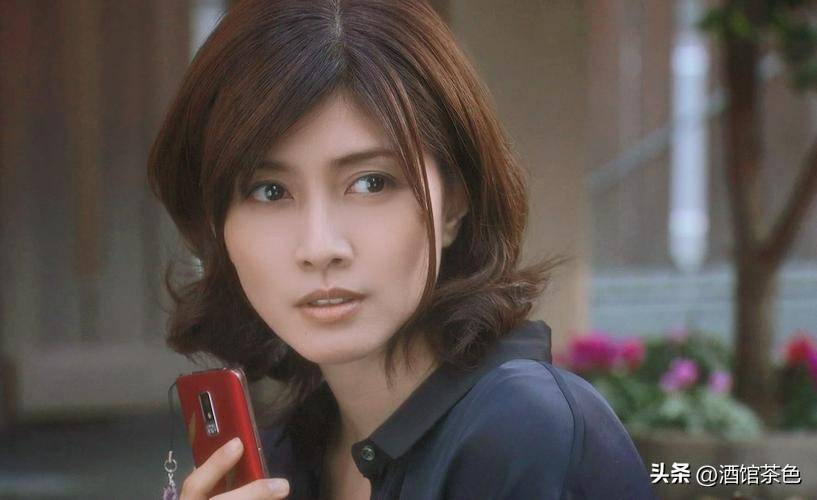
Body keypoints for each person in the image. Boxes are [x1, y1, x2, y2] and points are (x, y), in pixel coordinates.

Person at [147, 1, 658, 499]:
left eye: (371, 183)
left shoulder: (523, 432)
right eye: (270, 191)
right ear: (216, 223)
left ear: (454, 200)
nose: (320, 248)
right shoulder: (285, 457)